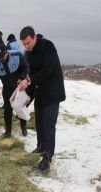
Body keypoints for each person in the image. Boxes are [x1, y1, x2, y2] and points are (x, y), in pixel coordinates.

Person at [19, 26, 66, 171]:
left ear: (34, 37)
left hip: (52, 92)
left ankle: (47, 157)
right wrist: (27, 99)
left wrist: (29, 80)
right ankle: (40, 147)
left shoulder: (47, 46)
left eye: (28, 42)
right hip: (40, 92)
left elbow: (48, 69)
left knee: (48, 125)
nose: (27, 46)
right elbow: (31, 77)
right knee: (39, 122)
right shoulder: (28, 54)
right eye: (24, 44)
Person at [0, 43, 28, 137]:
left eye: (2, 57)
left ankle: (23, 127)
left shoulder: (17, 55)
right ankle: (8, 131)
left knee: (21, 108)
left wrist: (21, 78)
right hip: (7, 87)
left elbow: (25, 67)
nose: (0, 59)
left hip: (19, 87)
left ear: (6, 53)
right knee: (7, 110)